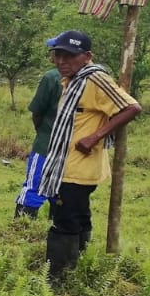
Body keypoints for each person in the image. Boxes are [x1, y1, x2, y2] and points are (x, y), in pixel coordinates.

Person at [37, 30, 142, 278]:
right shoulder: (73, 79)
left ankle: (57, 278)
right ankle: (79, 267)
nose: (62, 62)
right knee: (79, 216)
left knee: (65, 221)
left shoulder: (94, 79)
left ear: (86, 56)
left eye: (69, 56)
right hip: (68, 164)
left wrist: (95, 136)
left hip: (76, 168)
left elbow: (131, 107)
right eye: (57, 55)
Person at [14, 67, 63, 218]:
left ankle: (21, 228)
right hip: (75, 148)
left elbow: (37, 112)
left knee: (34, 186)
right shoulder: (91, 76)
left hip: (47, 143)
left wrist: (42, 132)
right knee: (64, 190)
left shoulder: (52, 77)